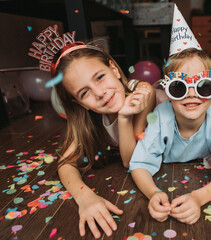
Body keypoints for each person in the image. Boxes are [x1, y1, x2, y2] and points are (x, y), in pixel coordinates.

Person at [29, 26, 156, 238]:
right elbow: (65, 163)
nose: (99, 93)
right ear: (79, 103)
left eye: (99, 77)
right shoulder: (87, 118)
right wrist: (85, 197)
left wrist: (125, 117)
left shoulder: (143, 94)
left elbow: (131, 160)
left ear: (114, 69)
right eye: (84, 92)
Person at [129, 47, 211, 224]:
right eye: (179, 87)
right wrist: (153, 193)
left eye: (203, 86)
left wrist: (198, 198)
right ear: (167, 91)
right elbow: (139, 163)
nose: (191, 94)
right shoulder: (161, 114)